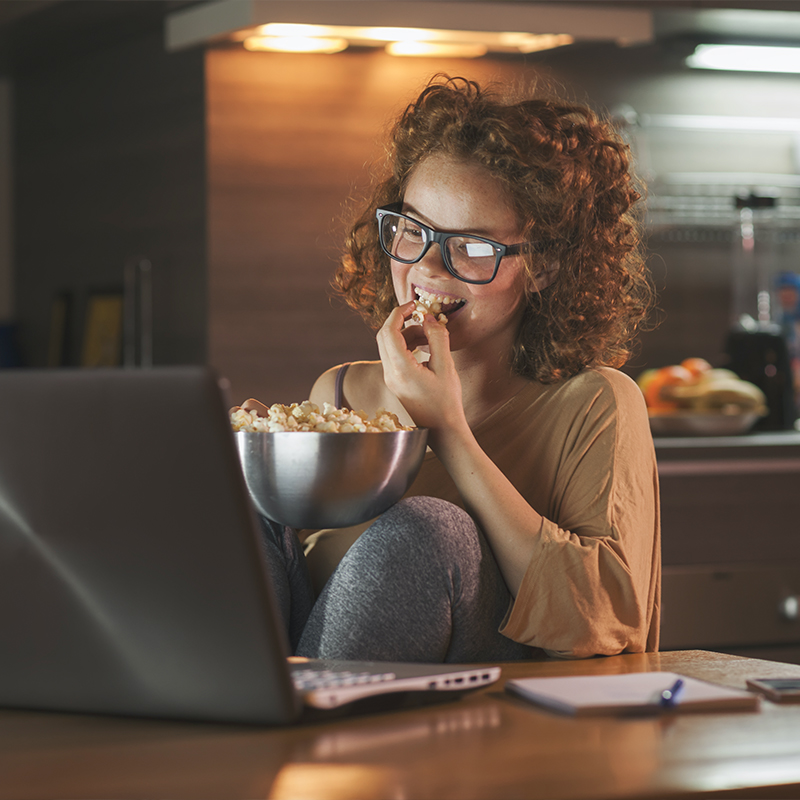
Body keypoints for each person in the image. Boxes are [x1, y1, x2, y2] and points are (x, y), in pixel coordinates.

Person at [252, 75, 660, 663]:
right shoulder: (342, 392)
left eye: (471, 245)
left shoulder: (595, 404)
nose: (428, 267)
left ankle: (317, 735)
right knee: (236, 509)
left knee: (426, 529)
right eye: (414, 230)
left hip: (491, 712)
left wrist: (445, 429)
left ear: (541, 266)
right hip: (297, 679)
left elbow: (602, 621)